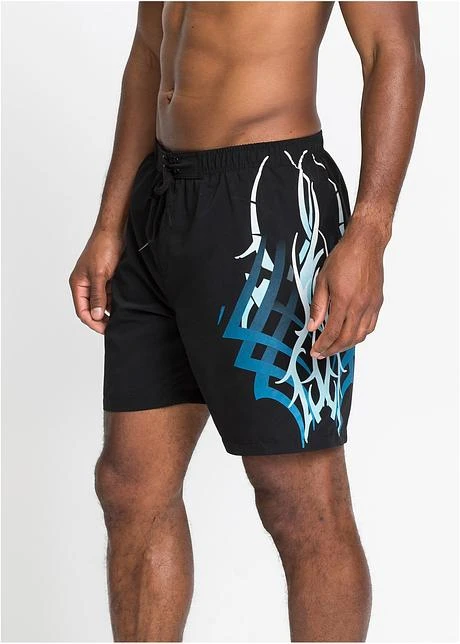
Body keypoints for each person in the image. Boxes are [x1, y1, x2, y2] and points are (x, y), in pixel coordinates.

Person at [69, 2, 424, 641]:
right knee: (128, 486)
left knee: (300, 504)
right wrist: (109, 223)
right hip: (160, 198)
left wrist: (371, 231)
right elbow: (148, 55)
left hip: (270, 204)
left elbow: (391, 53)